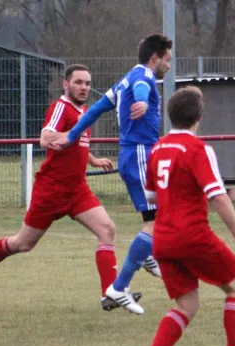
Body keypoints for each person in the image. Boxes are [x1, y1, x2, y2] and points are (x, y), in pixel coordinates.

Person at [0, 64, 140, 311]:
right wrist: (62, 139)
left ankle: (110, 294)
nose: (84, 87)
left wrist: (93, 160)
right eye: (78, 82)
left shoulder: (85, 111)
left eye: (87, 83)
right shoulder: (60, 107)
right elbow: (46, 138)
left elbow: (77, 143)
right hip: (51, 191)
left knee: (107, 229)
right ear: (66, 84)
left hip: (77, 190)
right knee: (23, 244)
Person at [137, 86, 235, 346]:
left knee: (187, 304)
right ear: (199, 117)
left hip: (163, 240)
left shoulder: (158, 148)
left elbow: (150, 196)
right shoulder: (199, 149)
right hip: (192, 236)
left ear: (171, 116)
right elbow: (219, 196)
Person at [50, 34, 173, 314]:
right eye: (167, 60)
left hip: (132, 156)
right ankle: (120, 286)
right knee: (159, 221)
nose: (168, 65)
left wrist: (72, 135)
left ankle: (147, 256)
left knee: (156, 218)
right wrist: (142, 102)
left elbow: (94, 110)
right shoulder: (143, 75)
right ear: (154, 58)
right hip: (141, 154)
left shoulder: (123, 80)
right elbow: (142, 87)